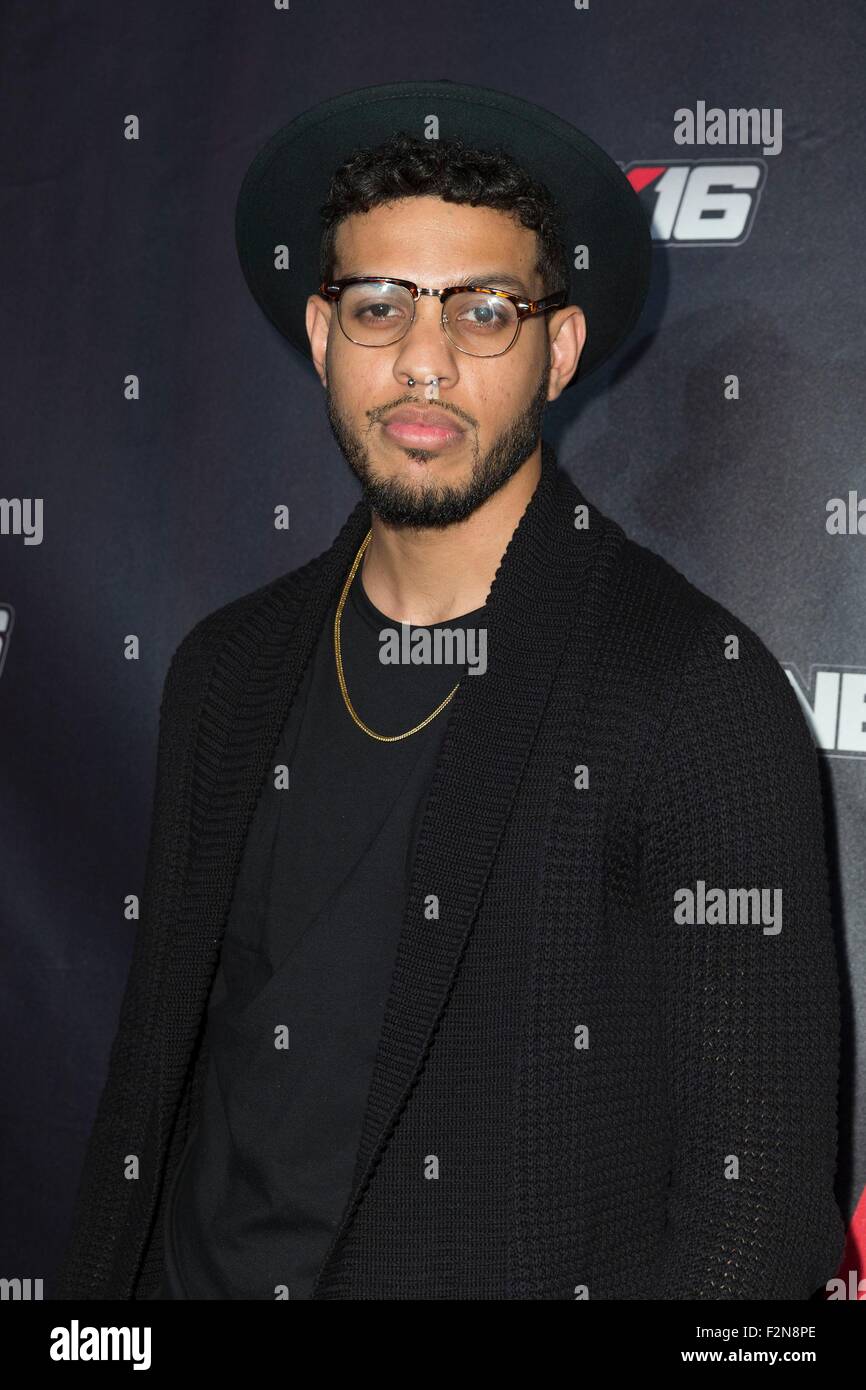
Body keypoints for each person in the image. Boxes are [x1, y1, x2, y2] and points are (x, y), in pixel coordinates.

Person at [55, 79, 845, 1301]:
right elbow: (154, 1088)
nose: (422, 364)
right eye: (378, 307)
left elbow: (759, 1221)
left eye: (482, 312)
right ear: (322, 336)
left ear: (557, 347)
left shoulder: (693, 694)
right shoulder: (225, 670)